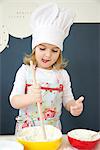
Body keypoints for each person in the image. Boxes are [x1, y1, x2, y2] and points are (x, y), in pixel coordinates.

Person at [9, 3, 84, 134]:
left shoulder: (62, 75)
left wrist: (73, 107)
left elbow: (68, 99)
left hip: (52, 132)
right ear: (34, 49)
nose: (48, 55)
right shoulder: (25, 71)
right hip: (26, 133)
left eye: (54, 50)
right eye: (42, 48)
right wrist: (30, 98)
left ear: (59, 52)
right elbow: (14, 101)